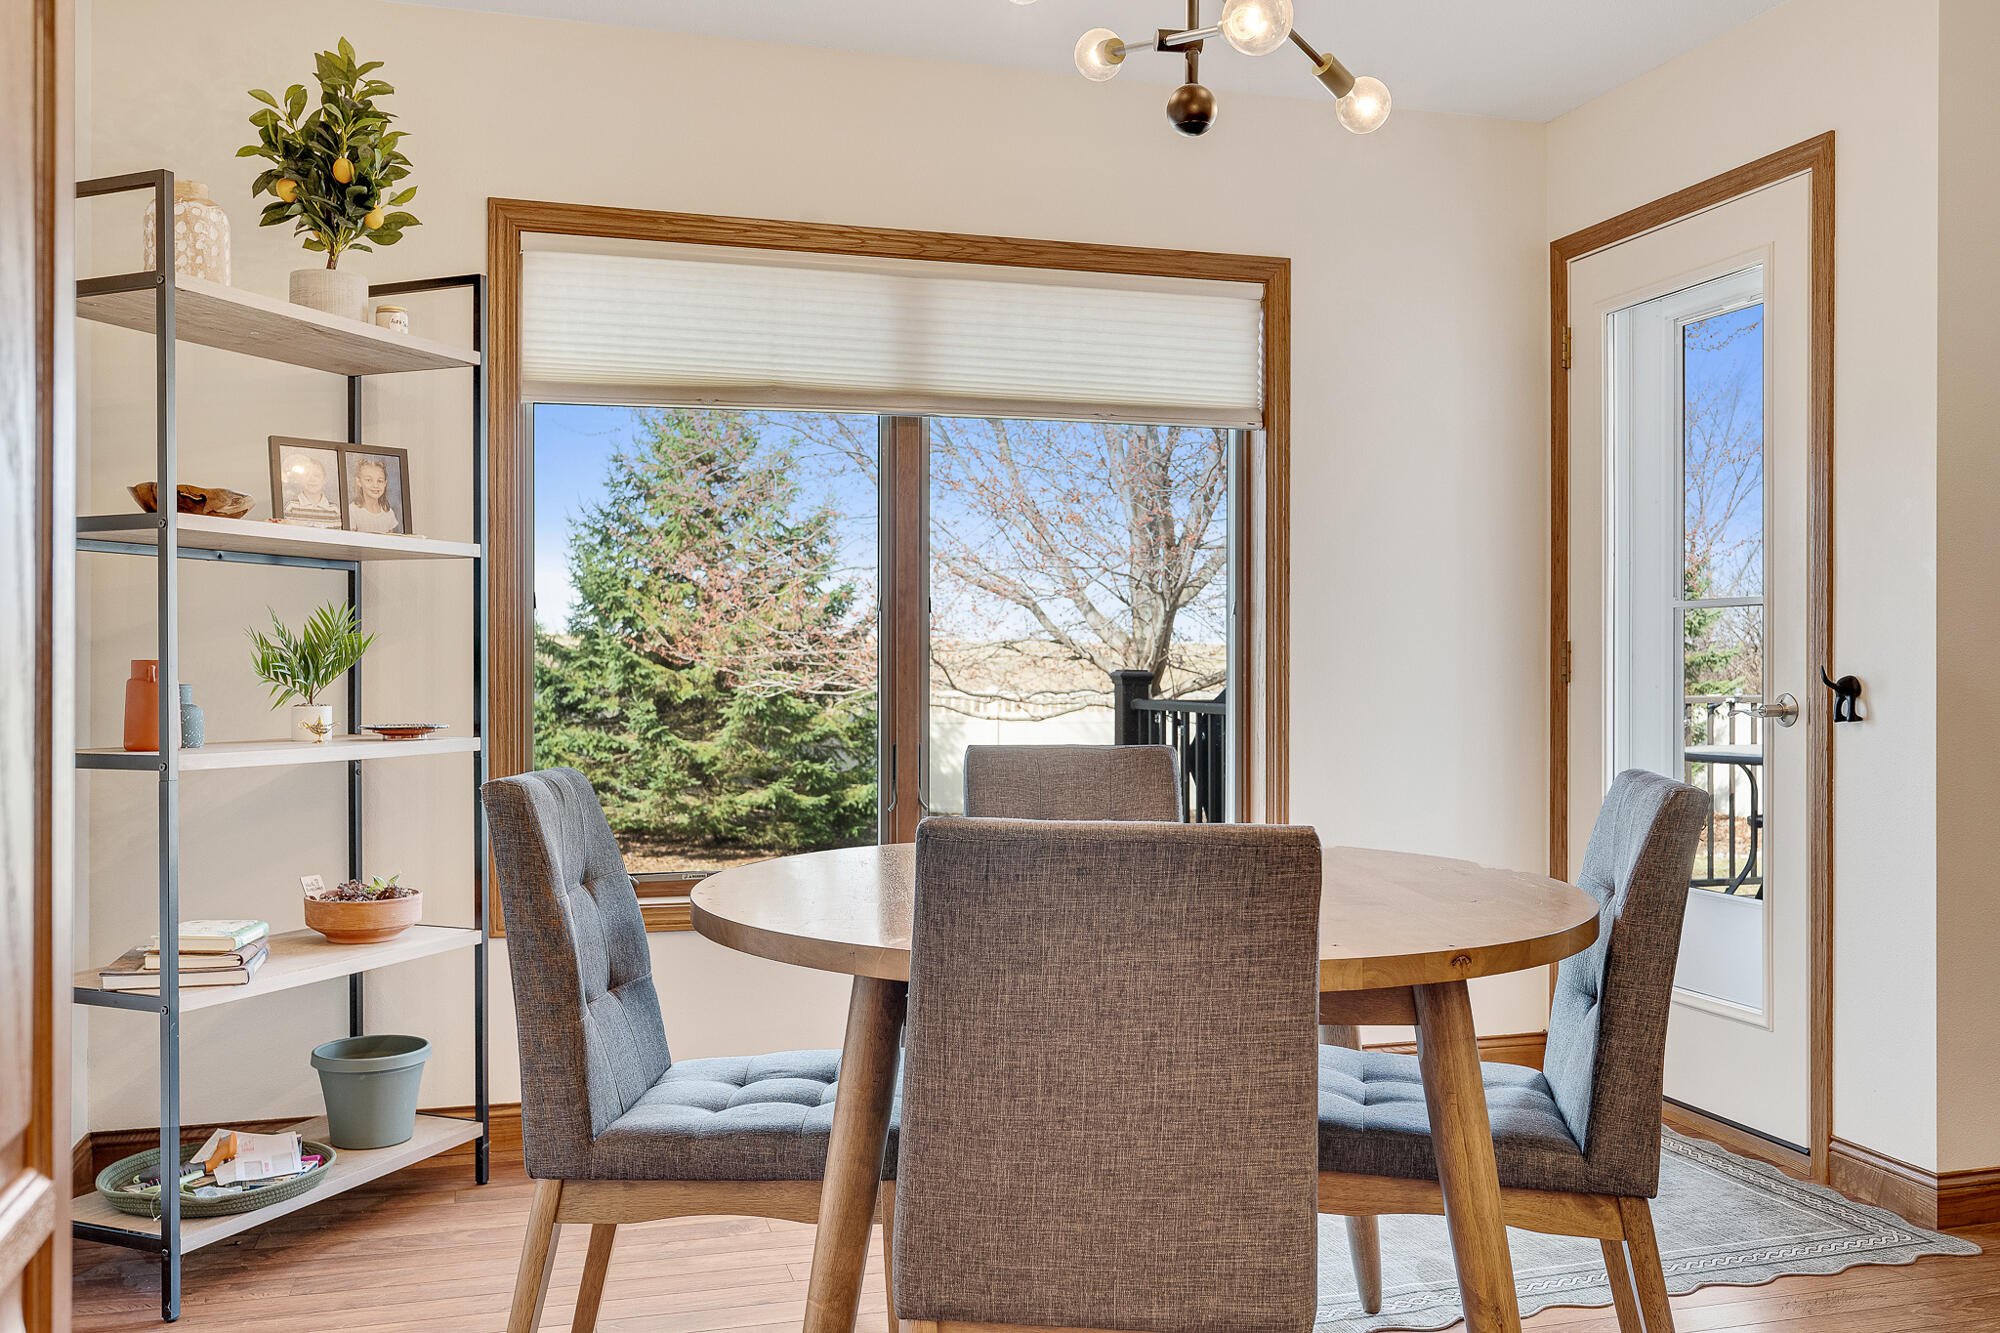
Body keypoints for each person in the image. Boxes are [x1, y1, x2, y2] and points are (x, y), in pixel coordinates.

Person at [283, 453, 341, 528]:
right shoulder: (291, 506)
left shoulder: (333, 509)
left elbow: (337, 536)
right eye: (307, 475)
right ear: (300, 479)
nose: (312, 479)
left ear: (324, 480)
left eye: (317, 475)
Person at [347, 456, 402, 534]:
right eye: (369, 480)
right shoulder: (352, 511)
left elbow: (390, 542)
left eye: (380, 481)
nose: (375, 485)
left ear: (385, 483)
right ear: (359, 481)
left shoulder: (388, 513)